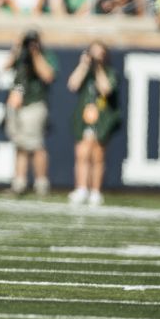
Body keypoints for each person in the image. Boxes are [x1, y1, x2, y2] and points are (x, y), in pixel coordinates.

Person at [67, 41, 121, 207]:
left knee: (97, 155)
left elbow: (105, 89)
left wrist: (98, 68)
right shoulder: (86, 72)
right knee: (82, 153)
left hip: (102, 117)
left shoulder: (109, 72)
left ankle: (95, 190)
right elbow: (72, 84)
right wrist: (84, 65)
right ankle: (81, 187)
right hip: (85, 117)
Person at [4, 28, 57, 197]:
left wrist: (35, 54)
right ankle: (19, 182)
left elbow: (48, 75)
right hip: (17, 104)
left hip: (34, 102)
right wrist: (17, 47)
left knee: (36, 145)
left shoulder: (45, 54)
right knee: (20, 144)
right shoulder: (20, 54)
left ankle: (41, 183)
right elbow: (5, 67)